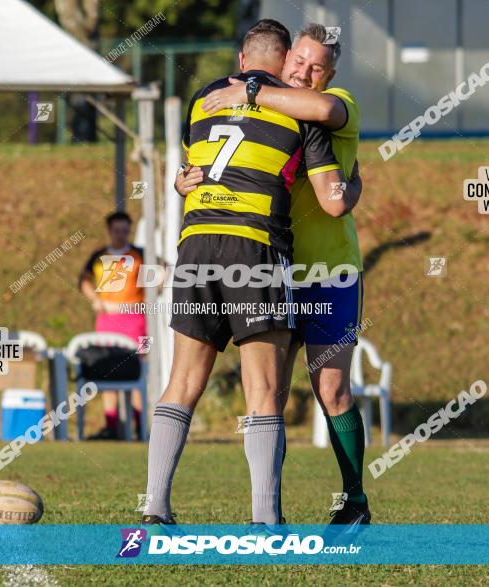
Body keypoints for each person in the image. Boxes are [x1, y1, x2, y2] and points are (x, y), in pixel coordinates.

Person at [143, 19, 361, 528]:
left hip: (195, 244)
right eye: (298, 64)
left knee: (181, 382)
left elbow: (193, 169)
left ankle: (154, 508)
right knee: (263, 390)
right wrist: (353, 186)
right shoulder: (300, 115)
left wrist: (179, 183)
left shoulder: (203, 98)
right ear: (284, 62)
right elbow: (331, 200)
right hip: (254, 246)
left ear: (243, 61)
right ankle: (265, 521)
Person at [78, 211, 146, 439]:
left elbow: (163, 273)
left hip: (134, 320)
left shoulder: (141, 255)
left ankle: (140, 426)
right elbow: (84, 280)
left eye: (125, 230)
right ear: (109, 231)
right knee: (109, 372)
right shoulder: (99, 255)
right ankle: (112, 427)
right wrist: (95, 300)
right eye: (117, 230)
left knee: (136, 372)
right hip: (107, 320)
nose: (121, 234)